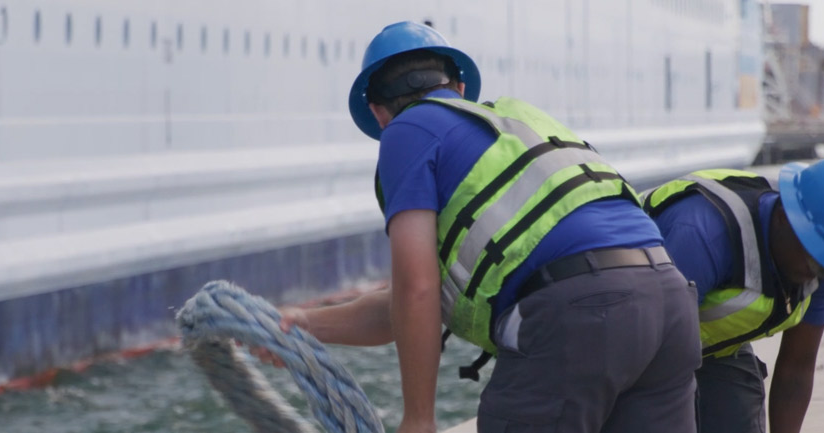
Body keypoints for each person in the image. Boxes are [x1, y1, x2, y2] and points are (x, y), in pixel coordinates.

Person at [258, 21, 700, 433]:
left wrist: (418, 419)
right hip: (669, 303)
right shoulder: (519, 122)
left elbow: (417, 289)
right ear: (461, 87)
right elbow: (405, 307)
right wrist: (304, 323)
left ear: (378, 114)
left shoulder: (406, 131)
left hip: (580, 313)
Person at [639, 158, 824, 433]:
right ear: (782, 219)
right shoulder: (703, 235)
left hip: (713, 348)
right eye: (817, 263)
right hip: (638, 342)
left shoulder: (822, 262)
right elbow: (648, 361)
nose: (820, 278)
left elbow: (797, 367)